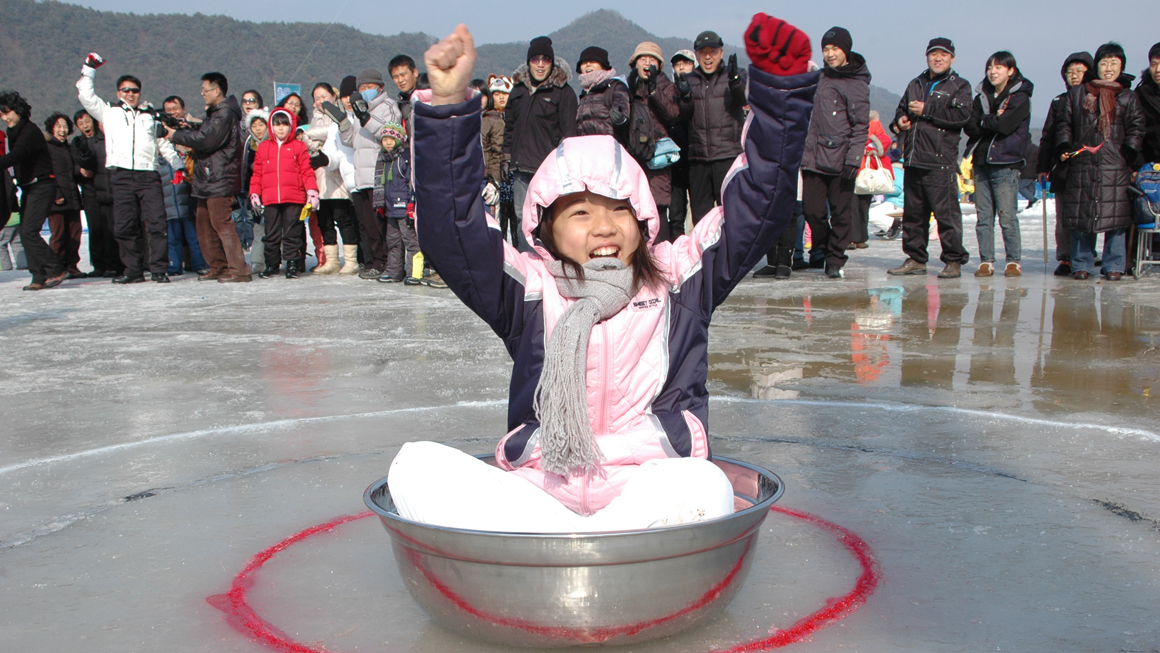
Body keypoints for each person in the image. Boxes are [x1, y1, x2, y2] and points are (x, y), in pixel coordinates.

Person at [392, 16, 815, 531]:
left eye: (617, 210)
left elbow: (759, 206)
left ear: (641, 219)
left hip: (648, 487)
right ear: (546, 230)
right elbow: (452, 231)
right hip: (542, 487)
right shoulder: (530, 288)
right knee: (415, 465)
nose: (602, 229)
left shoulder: (677, 279)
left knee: (701, 485)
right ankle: (570, 541)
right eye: (580, 214)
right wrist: (448, 105)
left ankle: (578, 548)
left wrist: (781, 92)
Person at [77, 53, 183, 284]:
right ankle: (133, 271)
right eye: (126, 90)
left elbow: (163, 143)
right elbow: (86, 96)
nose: (131, 94)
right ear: (118, 93)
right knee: (125, 225)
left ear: (140, 93)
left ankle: (159, 270)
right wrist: (89, 69)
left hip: (148, 174)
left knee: (157, 223)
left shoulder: (150, 116)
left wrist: (178, 165)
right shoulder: (109, 112)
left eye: (135, 90)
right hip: (121, 174)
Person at [1056, 42, 1146, 281]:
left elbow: (1137, 128)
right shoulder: (1077, 94)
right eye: (1104, 63)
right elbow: (1064, 123)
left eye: (1114, 63)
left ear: (1121, 67)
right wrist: (1065, 147)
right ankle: (1081, 263)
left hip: (1114, 163)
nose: (1108, 68)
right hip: (1083, 161)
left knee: (1115, 215)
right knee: (1082, 215)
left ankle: (1114, 264)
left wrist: (1128, 152)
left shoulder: (1127, 96)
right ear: (1096, 65)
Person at [887, 37, 972, 279]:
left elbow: (963, 116)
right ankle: (916, 258)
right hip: (913, 159)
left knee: (947, 215)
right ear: (927, 56)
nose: (938, 58)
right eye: (933, 54)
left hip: (940, 160)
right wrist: (899, 122)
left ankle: (953, 260)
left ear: (952, 58)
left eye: (943, 54)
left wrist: (928, 110)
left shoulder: (960, 86)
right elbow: (902, 109)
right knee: (913, 215)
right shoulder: (916, 82)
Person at [799, 27, 870, 279]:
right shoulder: (819, 78)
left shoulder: (857, 83)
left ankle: (836, 258)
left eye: (835, 49)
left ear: (846, 51)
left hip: (842, 160)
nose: (830, 54)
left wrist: (854, 159)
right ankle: (829, 246)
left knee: (841, 213)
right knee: (812, 210)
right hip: (813, 157)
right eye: (826, 49)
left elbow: (861, 125)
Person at [168, 72, 250, 283]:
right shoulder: (216, 114)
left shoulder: (224, 114)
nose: (202, 94)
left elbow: (206, 140)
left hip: (219, 177)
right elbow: (207, 134)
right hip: (207, 177)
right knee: (204, 225)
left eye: (205, 90)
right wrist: (191, 128)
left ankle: (239, 269)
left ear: (216, 90)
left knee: (222, 224)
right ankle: (219, 266)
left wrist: (174, 135)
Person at [502, 36, 578, 252]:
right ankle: (527, 262)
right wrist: (506, 157)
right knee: (521, 216)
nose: (541, 64)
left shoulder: (563, 92)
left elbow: (569, 135)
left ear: (552, 62)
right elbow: (509, 129)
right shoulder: (517, 91)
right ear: (529, 62)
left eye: (545, 59)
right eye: (535, 59)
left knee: (548, 218)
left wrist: (563, 166)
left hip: (547, 169)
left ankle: (552, 262)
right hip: (520, 168)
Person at [964, 51, 1033, 277]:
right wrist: (991, 120)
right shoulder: (981, 96)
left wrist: (986, 120)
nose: (993, 72)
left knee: (1006, 215)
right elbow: (970, 126)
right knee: (984, 216)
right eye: (990, 67)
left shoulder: (1020, 97)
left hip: (1006, 162)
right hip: (982, 162)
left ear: (1011, 71)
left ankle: (1013, 260)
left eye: (999, 67)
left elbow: (1006, 126)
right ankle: (987, 260)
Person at [338, 68, 403, 279]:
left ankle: (389, 262)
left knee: (382, 223)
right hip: (362, 176)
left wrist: (365, 118)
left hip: (381, 173)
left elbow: (391, 134)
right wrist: (344, 124)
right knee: (368, 224)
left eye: (369, 87)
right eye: (362, 88)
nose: (365, 91)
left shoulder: (389, 106)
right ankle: (376, 260)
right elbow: (352, 141)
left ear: (380, 87)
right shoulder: (360, 110)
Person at [0, 91, 68, 290]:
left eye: (7, 112)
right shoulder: (14, 132)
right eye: (2, 115)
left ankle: (55, 269)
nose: (4, 118)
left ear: (18, 110)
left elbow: (17, 155)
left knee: (29, 231)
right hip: (28, 186)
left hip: (42, 185)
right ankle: (38, 276)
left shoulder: (29, 131)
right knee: (25, 232)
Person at [622, 41, 689, 243]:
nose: (647, 63)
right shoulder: (626, 87)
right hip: (633, 155)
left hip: (657, 157)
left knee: (658, 207)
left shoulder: (666, 85)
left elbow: (673, 113)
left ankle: (661, 257)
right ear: (635, 63)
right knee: (634, 207)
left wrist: (653, 91)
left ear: (659, 65)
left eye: (653, 59)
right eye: (643, 58)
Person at [684, 30, 748, 225]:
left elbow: (744, 98)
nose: (708, 57)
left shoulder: (736, 74)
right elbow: (681, 114)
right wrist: (682, 96)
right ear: (696, 56)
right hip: (698, 159)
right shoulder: (689, 80)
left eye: (713, 51)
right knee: (701, 219)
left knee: (733, 214)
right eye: (703, 52)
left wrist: (736, 81)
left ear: (721, 53)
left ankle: (732, 256)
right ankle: (705, 256)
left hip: (728, 156)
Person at [1037, 52, 1092, 276]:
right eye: (1070, 72)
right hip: (1063, 167)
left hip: (1089, 167)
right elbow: (1048, 136)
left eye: (1079, 71)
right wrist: (1041, 167)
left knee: (1088, 214)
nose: (1074, 76)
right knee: (1063, 216)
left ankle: (1087, 255)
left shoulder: (1095, 99)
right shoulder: (1059, 101)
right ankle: (1066, 257)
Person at [249, 108, 319, 279]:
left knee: (292, 232)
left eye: (284, 124)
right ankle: (272, 264)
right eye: (276, 124)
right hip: (270, 198)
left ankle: (293, 264)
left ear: (291, 126)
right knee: (271, 233)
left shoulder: (298, 146)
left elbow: (306, 171)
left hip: (293, 197)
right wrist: (255, 194)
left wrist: (311, 191)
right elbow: (257, 174)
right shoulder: (264, 147)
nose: (280, 128)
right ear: (271, 127)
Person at [303, 82, 359, 275]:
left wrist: (307, 135)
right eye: (316, 98)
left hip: (337, 175)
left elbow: (329, 133)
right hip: (320, 176)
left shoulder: (340, 116)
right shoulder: (314, 119)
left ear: (333, 96)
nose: (320, 101)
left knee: (342, 218)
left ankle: (351, 260)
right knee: (324, 219)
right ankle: (332, 260)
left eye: (323, 96)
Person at [72, 109, 120, 277]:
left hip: (108, 187)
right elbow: (71, 164)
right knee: (95, 229)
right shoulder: (77, 143)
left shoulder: (106, 138)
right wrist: (80, 170)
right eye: (80, 123)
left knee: (111, 228)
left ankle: (114, 264)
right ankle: (98, 265)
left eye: (87, 121)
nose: (85, 125)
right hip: (89, 190)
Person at [372, 122, 420, 284]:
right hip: (390, 208)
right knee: (393, 242)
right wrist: (380, 204)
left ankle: (415, 272)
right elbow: (382, 185)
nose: (388, 142)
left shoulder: (404, 158)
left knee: (411, 242)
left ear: (399, 139)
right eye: (385, 139)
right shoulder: (383, 160)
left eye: (391, 139)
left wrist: (411, 204)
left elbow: (411, 183)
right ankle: (394, 271)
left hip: (404, 208)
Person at [43, 113, 85, 278]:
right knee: (58, 235)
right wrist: (56, 194)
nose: (62, 130)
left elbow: (74, 171)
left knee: (75, 233)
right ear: (52, 129)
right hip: (57, 199)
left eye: (65, 127)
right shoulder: (47, 148)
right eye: (58, 126)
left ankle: (71, 265)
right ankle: (54, 268)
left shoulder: (69, 148)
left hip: (73, 197)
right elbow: (48, 173)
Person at [157, 152, 206, 275]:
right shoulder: (157, 164)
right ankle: (174, 266)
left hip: (186, 206)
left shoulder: (182, 159)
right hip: (168, 209)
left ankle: (199, 264)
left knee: (194, 238)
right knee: (173, 239)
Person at [850, 110, 892, 248]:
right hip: (868, 172)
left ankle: (852, 237)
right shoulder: (875, 124)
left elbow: (884, 141)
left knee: (853, 206)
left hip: (857, 170)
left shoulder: (859, 124)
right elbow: (885, 141)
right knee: (862, 206)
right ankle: (860, 238)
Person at [667, 49, 696, 240]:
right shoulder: (669, 92)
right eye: (678, 64)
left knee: (701, 211)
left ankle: (700, 251)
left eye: (686, 63)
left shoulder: (700, 91)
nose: (681, 67)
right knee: (676, 212)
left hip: (696, 158)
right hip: (675, 160)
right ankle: (677, 250)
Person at [575, 46, 630, 137]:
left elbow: (623, 115)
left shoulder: (615, 87)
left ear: (603, 65)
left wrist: (620, 119)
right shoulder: (585, 94)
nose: (588, 64)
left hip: (608, 148)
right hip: (586, 148)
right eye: (584, 62)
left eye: (593, 61)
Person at [1138, 43, 1160, 164]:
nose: (1158, 70)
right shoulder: (1141, 95)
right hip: (1152, 166)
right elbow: (1136, 132)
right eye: (1154, 64)